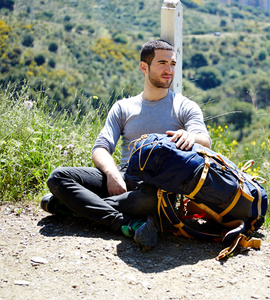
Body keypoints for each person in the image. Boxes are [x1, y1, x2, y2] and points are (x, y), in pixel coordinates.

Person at [41, 39, 211, 250]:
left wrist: (191, 137)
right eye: (162, 63)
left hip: (155, 187)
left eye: (173, 64)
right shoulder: (123, 107)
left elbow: (205, 140)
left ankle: (72, 206)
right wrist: (112, 174)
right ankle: (127, 223)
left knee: (151, 200)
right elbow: (101, 148)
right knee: (58, 177)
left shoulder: (184, 106)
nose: (169, 70)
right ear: (144, 67)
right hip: (122, 176)